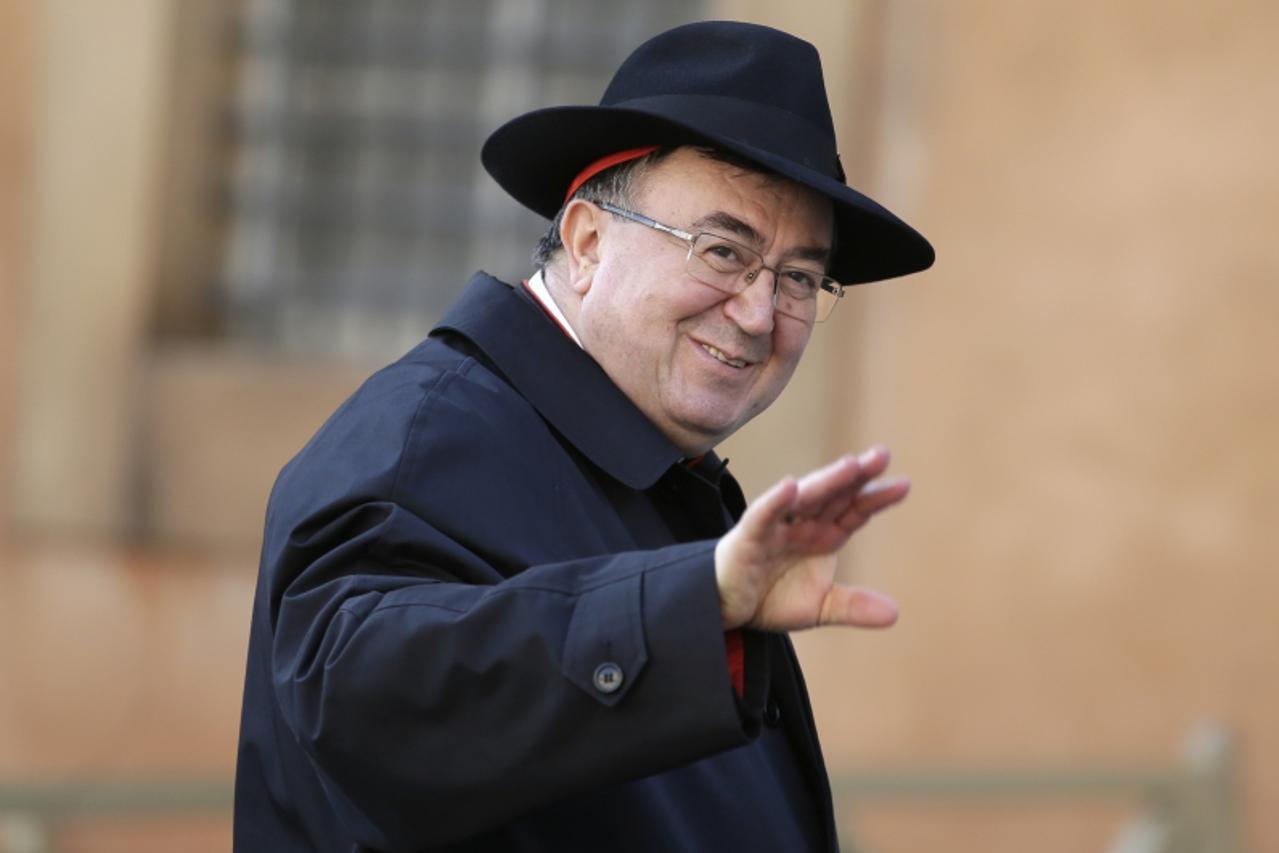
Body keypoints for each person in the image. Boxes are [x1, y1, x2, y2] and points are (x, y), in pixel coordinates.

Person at [234, 20, 933, 853]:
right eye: (720, 251)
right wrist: (692, 600)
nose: (756, 314)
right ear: (587, 241)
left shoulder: (653, 465)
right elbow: (361, 700)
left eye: (798, 278)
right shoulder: (426, 437)